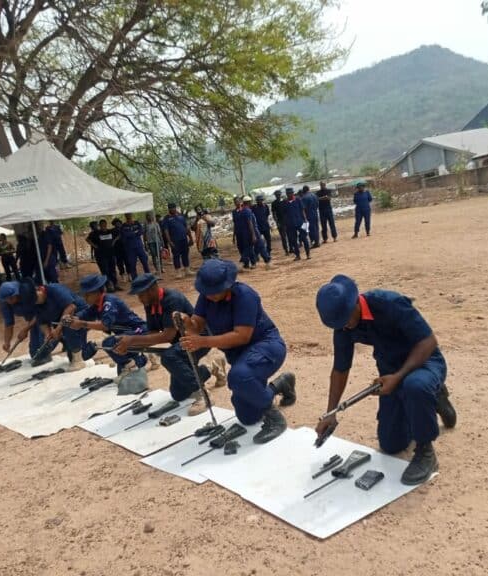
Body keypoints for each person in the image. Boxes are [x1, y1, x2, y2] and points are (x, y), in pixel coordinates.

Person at [314, 274, 457, 485]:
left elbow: (428, 342)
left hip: (424, 362)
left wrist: (398, 377)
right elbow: (340, 369)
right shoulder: (344, 327)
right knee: (391, 444)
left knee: (415, 386)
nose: (343, 327)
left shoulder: (389, 303)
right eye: (338, 324)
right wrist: (331, 413)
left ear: (355, 303)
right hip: (391, 371)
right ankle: (425, 403)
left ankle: (426, 452)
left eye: (345, 320)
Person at [178, 259, 296, 444]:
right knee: (247, 417)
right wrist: (187, 323)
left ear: (227, 285)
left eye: (214, 291)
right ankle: (280, 385)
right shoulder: (207, 296)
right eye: (206, 292)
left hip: (266, 346)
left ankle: (275, 418)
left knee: (238, 377)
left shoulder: (245, 296)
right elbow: (197, 325)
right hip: (241, 356)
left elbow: (242, 336)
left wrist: (202, 341)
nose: (209, 296)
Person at [113, 274, 227, 415]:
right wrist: (131, 346)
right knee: (178, 394)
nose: (140, 299)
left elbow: (168, 335)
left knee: (169, 357)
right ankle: (212, 368)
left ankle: (203, 395)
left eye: (141, 294)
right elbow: (153, 332)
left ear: (153, 289)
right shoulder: (150, 303)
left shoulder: (172, 299)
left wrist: (132, 340)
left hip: (198, 339)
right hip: (179, 344)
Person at [65, 274, 149, 393]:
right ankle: (140, 360)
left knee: (109, 343)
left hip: (138, 330)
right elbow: (84, 314)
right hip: (124, 334)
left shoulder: (109, 302)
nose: (85, 297)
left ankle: (135, 362)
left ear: (96, 292)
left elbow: (105, 325)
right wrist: (72, 319)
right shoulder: (96, 305)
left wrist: (82, 324)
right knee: (121, 368)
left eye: (87, 294)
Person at [1, 279, 88, 370]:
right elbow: (42, 322)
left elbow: (71, 307)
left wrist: (58, 329)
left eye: (36, 300)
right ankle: (70, 343)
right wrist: (47, 334)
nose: (36, 303)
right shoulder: (35, 304)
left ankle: (79, 357)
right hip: (60, 321)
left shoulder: (55, 289)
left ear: (39, 290)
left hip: (80, 315)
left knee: (69, 325)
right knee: (39, 353)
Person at [0, 278, 47, 361]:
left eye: (11, 298)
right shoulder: (4, 302)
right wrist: (7, 342)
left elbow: (40, 312)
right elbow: (8, 323)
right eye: (7, 300)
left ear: (16, 293)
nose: (9, 301)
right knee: (34, 353)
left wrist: (26, 329)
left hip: (45, 316)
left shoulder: (26, 291)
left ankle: (61, 336)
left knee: (43, 350)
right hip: (32, 319)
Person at [86, 219, 122, 291]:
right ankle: (108, 286)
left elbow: (119, 235)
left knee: (113, 269)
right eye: (102, 225)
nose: (103, 226)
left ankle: (115, 284)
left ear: (106, 225)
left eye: (104, 225)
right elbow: (87, 239)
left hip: (111, 254)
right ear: (100, 226)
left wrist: (114, 241)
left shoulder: (110, 231)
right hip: (101, 256)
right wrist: (95, 246)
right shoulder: (96, 233)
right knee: (105, 270)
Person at [162, 203, 192, 278]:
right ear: (169, 209)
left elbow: (187, 228)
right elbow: (166, 231)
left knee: (185, 254)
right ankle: (178, 272)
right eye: (171, 208)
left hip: (184, 239)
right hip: (174, 240)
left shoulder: (181, 216)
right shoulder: (166, 218)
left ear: (175, 208)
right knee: (176, 256)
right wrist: (169, 241)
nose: (173, 209)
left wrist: (191, 238)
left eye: (174, 208)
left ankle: (187, 270)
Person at [242, 195, 272, 270]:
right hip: (253, 232)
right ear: (248, 202)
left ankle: (250, 262)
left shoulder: (244, 210)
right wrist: (253, 235)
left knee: (249, 248)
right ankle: (267, 260)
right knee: (261, 245)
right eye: (250, 202)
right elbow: (250, 223)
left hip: (248, 233)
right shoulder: (247, 211)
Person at [121, 213, 151, 279]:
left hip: (139, 246)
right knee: (132, 265)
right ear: (125, 216)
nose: (128, 216)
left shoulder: (137, 223)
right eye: (127, 214)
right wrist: (134, 233)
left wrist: (131, 234)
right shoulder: (123, 226)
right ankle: (135, 279)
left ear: (131, 215)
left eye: (129, 214)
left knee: (145, 262)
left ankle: (148, 277)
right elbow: (125, 235)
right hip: (130, 248)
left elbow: (141, 231)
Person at [283, 187, 310, 261]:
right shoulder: (285, 202)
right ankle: (297, 255)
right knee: (293, 240)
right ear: (286, 194)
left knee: (304, 238)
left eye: (290, 193)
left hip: (300, 222)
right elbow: (284, 214)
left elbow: (302, 210)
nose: (289, 194)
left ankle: (308, 254)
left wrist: (305, 220)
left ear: (292, 193)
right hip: (290, 224)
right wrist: (285, 224)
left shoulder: (298, 200)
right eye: (288, 193)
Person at [270, 189, 289, 254]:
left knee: (290, 235)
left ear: (280, 194)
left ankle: (291, 248)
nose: (278, 195)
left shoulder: (285, 201)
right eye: (276, 195)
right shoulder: (274, 203)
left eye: (279, 194)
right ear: (275, 195)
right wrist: (277, 222)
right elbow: (274, 213)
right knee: (283, 237)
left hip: (287, 220)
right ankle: (286, 250)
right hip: (280, 221)